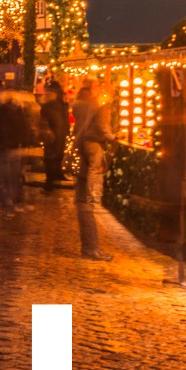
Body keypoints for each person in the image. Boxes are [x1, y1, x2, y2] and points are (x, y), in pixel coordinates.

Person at [71, 82, 115, 261]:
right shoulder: (99, 107)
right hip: (92, 150)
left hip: (81, 151)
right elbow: (103, 130)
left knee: (83, 202)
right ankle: (91, 248)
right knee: (89, 201)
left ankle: (89, 247)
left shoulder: (80, 107)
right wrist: (114, 138)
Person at [0, 85, 38, 212]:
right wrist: (26, 143)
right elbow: (23, 130)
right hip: (13, 148)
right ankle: (9, 201)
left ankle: (5, 201)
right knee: (12, 177)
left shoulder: (0, 112)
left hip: (5, 148)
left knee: (5, 176)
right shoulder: (17, 112)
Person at [39, 84, 71, 193]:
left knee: (49, 159)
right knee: (57, 157)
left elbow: (44, 122)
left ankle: (49, 184)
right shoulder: (60, 105)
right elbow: (64, 120)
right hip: (60, 135)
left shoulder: (46, 107)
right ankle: (56, 177)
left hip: (51, 137)